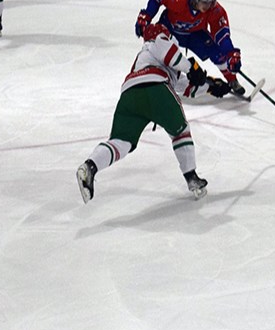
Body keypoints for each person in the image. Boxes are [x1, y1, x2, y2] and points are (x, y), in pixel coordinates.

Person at [75, 23, 227, 204]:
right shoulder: (158, 42)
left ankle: (90, 167)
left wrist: (211, 87)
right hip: (156, 89)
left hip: (130, 96)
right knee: (180, 131)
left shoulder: (148, 58)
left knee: (121, 141)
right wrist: (191, 68)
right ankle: (191, 177)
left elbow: (185, 87)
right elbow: (171, 53)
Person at [134, 0, 246, 96]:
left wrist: (230, 53)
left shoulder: (215, 11)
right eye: (205, 2)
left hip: (194, 34)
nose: (208, 6)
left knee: (218, 54)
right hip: (170, 29)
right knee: (165, 60)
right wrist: (146, 15)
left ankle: (232, 80)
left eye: (211, 2)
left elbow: (222, 35)